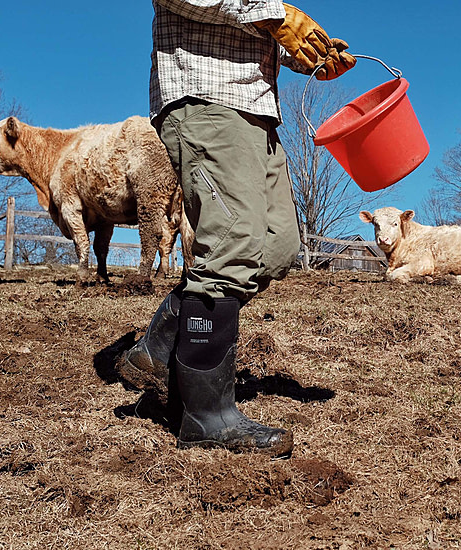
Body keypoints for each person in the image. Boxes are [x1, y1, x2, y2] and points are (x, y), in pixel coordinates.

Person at [118, 1, 356, 458]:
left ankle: (159, 348)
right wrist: (274, 14)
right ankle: (205, 415)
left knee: (277, 246)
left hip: (258, 111)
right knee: (233, 245)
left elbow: (250, 27)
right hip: (207, 99)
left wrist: (300, 53)